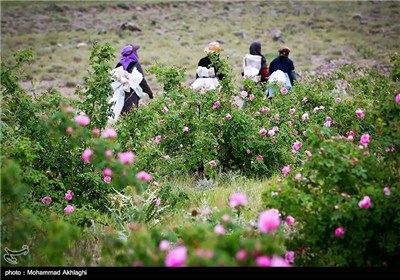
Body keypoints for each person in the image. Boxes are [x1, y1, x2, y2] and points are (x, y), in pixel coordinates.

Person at [112, 44, 153, 116]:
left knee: (120, 115)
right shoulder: (135, 65)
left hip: (120, 94)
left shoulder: (119, 65)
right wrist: (149, 93)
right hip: (132, 95)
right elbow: (142, 81)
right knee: (131, 116)